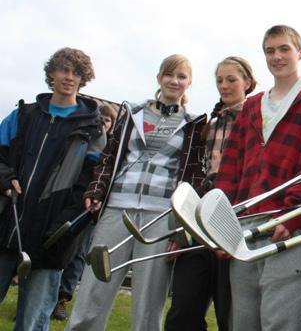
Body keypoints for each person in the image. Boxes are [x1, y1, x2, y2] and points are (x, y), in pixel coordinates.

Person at [67, 54, 207, 331]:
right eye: (169, 74)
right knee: (95, 287)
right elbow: (109, 156)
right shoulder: (133, 112)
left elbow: (194, 177)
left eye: (181, 76)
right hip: (118, 207)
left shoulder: (195, 123)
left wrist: (181, 229)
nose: (174, 81)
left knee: (149, 298)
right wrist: (97, 189)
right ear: (159, 78)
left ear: (189, 83)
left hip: (159, 216)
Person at [214, 25, 301, 331]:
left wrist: (294, 216)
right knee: (243, 323)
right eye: (270, 50)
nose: (277, 56)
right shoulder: (253, 104)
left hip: (287, 226)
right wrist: (221, 225)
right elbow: (230, 168)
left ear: (300, 53)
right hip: (245, 229)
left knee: (280, 323)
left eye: (284, 49)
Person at [0, 48, 106, 331]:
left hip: (51, 238)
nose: (69, 77)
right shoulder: (22, 115)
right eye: (64, 70)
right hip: (5, 227)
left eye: (76, 73)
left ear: (84, 79)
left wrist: (65, 227)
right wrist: (5, 178)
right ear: (52, 73)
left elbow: (90, 183)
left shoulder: (93, 129)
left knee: (32, 322)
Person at [165, 56, 257, 331]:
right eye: (219, 80)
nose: (224, 86)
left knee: (229, 311)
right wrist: (179, 231)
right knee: (183, 309)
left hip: (235, 217)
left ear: (247, 83)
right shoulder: (210, 124)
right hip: (201, 220)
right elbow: (190, 177)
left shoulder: (257, 118)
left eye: (232, 79)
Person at [52, 103, 118, 321]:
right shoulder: (82, 141)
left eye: (107, 120)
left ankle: (62, 297)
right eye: (100, 118)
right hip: (68, 200)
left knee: (79, 252)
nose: (103, 123)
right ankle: (45, 295)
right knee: (55, 243)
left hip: (91, 208)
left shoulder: (111, 150)